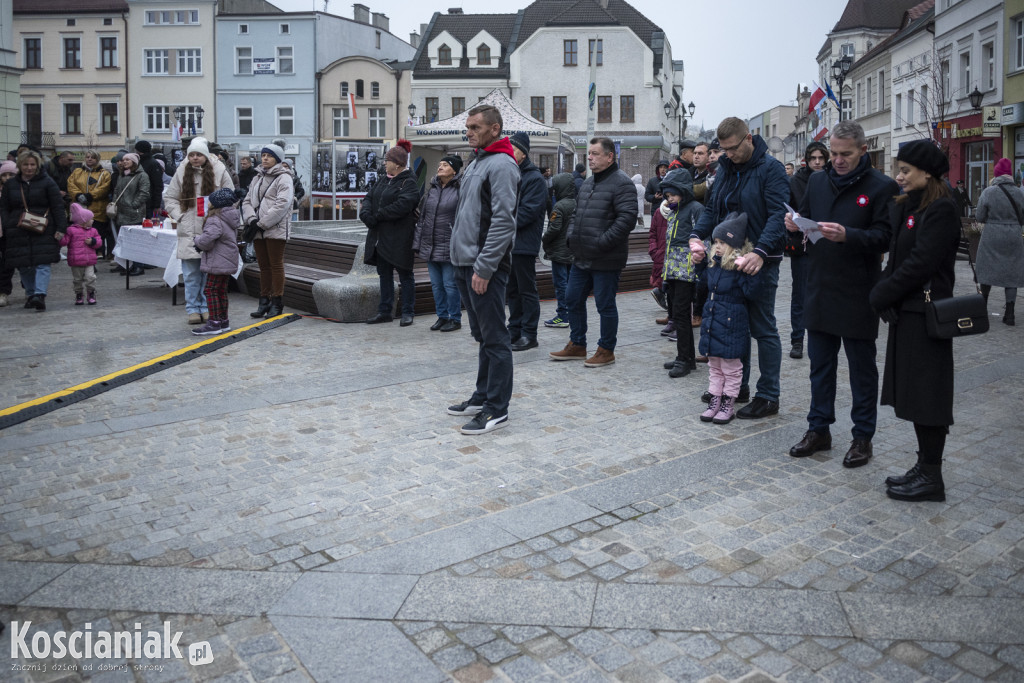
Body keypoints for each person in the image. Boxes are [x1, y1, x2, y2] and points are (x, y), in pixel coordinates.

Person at [785, 121, 898, 468]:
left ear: (863, 151)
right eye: (833, 153)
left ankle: (862, 436)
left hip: (859, 289)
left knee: (862, 369)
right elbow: (807, 215)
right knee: (820, 366)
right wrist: (796, 223)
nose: (836, 160)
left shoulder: (882, 186)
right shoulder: (818, 180)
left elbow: (886, 236)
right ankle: (819, 429)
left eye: (845, 154)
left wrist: (849, 235)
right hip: (819, 284)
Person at [868, 140, 959, 502]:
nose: (899, 177)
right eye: (898, 169)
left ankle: (932, 475)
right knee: (913, 392)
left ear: (927, 172)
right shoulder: (911, 207)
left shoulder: (942, 210)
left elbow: (921, 262)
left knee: (929, 394)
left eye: (905, 170)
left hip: (927, 313)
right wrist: (889, 294)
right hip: (909, 311)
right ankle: (923, 466)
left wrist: (882, 293)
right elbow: (897, 258)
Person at [689, 117, 789, 418]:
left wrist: (760, 251)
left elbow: (777, 216)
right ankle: (737, 388)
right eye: (724, 150)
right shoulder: (725, 171)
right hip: (726, 260)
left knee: (762, 327)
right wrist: (696, 236)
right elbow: (713, 210)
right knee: (734, 325)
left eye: (733, 149)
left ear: (748, 138)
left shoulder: (771, 170)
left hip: (759, 260)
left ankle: (769, 395)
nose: (728, 154)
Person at [446, 104, 519, 434]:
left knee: (495, 338)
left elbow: (504, 222)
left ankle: (496, 408)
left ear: (494, 128)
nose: (469, 131)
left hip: (483, 266)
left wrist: (485, 267)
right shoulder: (478, 162)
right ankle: (483, 394)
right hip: (465, 263)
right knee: (483, 336)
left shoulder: (502, 164)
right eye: (468, 127)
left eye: (475, 127)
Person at [549, 137, 638, 367]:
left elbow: (626, 219)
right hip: (581, 256)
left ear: (610, 156)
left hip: (606, 258)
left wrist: (602, 242)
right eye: (589, 153)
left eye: (595, 154)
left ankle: (606, 349)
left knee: (604, 305)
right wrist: (570, 237)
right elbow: (576, 214)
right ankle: (577, 344)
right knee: (572, 298)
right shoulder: (587, 183)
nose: (590, 157)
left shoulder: (622, 183)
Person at [699, 214, 762, 424]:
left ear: (734, 245)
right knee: (714, 365)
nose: (717, 246)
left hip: (731, 322)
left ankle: (729, 401)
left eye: (722, 243)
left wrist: (747, 272)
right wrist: (699, 264)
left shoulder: (737, 267)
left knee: (731, 367)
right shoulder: (714, 265)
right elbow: (702, 286)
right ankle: (715, 398)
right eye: (715, 242)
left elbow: (752, 293)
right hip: (712, 322)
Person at [164, 137, 234, 325]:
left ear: (205, 154)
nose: (195, 158)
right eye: (191, 154)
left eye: (198, 154)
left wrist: (218, 216)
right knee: (191, 273)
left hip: (212, 228)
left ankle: (206, 308)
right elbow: (170, 198)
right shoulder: (182, 170)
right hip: (189, 227)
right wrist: (180, 216)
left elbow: (230, 196)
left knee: (209, 274)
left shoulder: (219, 169)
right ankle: (192, 308)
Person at [0, 150, 67, 311]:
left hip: (43, 228)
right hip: (18, 228)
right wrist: (8, 224)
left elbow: (58, 206)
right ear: (20, 165)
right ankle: (31, 294)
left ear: (37, 165)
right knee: (24, 265)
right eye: (25, 164)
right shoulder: (11, 185)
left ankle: (39, 294)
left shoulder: (47, 182)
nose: (29, 168)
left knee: (42, 263)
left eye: (32, 164)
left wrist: (61, 227)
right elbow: (4, 208)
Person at [360, 139, 419, 326]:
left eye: (388, 160)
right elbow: (369, 197)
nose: (385, 163)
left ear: (398, 163)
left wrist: (378, 215)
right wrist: (366, 214)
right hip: (381, 238)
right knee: (384, 275)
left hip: (400, 238)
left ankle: (408, 312)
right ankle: (385, 311)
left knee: (405, 275)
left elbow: (403, 205)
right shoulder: (384, 179)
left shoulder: (409, 182)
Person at [657, 168, 703, 378]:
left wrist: (696, 268)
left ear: (683, 191)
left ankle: (685, 359)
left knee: (683, 316)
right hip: (673, 272)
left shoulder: (695, 209)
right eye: (667, 196)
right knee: (676, 314)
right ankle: (685, 357)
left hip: (686, 272)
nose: (670, 199)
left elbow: (702, 241)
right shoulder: (674, 212)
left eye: (673, 194)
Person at [786, 141, 829, 359]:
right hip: (801, 244)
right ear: (807, 159)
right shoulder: (796, 181)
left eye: (821, 158)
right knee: (800, 294)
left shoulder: (832, 178)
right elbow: (789, 208)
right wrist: (790, 220)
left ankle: (821, 337)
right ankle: (797, 340)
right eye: (814, 158)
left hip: (826, 243)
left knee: (823, 292)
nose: (818, 162)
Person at [242, 143, 294, 319]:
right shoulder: (257, 177)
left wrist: (262, 223)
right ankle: (263, 301)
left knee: (276, 265)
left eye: (269, 156)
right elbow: (247, 201)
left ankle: (277, 302)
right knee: (263, 266)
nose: (265, 158)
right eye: (263, 155)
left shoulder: (284, 178)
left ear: (277, 159)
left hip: (275, 229)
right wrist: (251, 220)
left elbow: (282, 205)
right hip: (257, 227)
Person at [507, 132, 547, 351]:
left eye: (512, 149)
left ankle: (529, 334)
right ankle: (514, 330)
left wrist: (501, 222)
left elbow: (527, 213)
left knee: (526, 290)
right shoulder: (510, 173)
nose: (508, 153)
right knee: (512, 290)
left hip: (523, 244)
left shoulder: (533, 178)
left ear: (523, 153)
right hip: (509, 243)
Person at [414, 154, 463, 332]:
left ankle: (455, 318)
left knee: (450, 285)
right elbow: (422, 219)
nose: (440, 167)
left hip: (449, 244)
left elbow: (463, 219)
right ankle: (442, 316)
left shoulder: (460, 189)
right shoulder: (432, 189)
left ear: (454, 170)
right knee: (436, 285)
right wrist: (417, 243)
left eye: (445, 164)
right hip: (430, 244)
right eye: (439, 164)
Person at [974, 157, 1024, 326]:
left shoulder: (989, 192)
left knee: (987, 270)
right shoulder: (1020, 192)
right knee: (1012, 274)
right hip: (1013, 235)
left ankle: (981, 309)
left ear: (996, 175)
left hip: (992, 235)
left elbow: (979, 216)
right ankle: (1010, 314)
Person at [192, 188, 243, 336]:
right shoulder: (230, 217)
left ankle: (214, 322)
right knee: (221, 290)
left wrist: (197, 241)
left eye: (210, 201)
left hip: (218, 260)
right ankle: (223, 320)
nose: (208, 203)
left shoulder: (215, 219)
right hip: (227, 258)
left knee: (210, 290)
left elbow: (207, 240)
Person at [542, 172, 575, 329]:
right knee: (569, 283)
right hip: (571, 251)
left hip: (559, 252)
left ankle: (562, 315)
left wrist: (544, 239)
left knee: (560, 284)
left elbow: (554, 228)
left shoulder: (559, 206)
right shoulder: (576, 203)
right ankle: (570, 314)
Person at [67, 150, 113, 259]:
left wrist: (90, 196)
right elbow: (71, 184)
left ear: (97, 159)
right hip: (80, 208)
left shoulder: (104, 173)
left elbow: (104, 188)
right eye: (88, 157)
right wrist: (78, 195)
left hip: (98, 208)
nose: (90, 159)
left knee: (97, 232)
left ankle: (99, 251)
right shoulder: (77, 171)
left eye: (92, 157)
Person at [111, 153, 151, 277]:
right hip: (121, 212)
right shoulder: (122, 175)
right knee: (123, 241)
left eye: (127, 159)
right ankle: (125, 265)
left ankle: (138, 266)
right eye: (123, 160)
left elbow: (144, 193)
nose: (124, 161)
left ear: (134, 162)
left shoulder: (142, 175)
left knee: (135, 241)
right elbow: (117, 190)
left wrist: (133, 205)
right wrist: (114, 203)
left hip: (134, 213)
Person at [60, 203, 103, 305]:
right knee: (77, 279)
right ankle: (79, 294)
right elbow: (64, 242)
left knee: (90, 277)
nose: (93, 220)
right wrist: (60, 237)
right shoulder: (71, 230)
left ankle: (91, 293)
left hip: (89, 261)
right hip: (76, 261)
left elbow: (99, 242)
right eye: (91, 219)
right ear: (84, 220)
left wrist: (93, 241)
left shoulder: (93, 231)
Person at [645, 160, 671, 311]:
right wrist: (654, 197)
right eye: (660, 167)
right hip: (658, 212)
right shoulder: (653, 181)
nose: (662, 170)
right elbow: (647, 196)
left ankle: (663, 293)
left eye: (665, 168)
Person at [0, 160, 19, 306]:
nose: (7, 178)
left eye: (10, 174)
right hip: (1, 232)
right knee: (3, 264)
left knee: (16, 263)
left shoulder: (21, 190)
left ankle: (30, 289)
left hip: (16, 231)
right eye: (4, 175)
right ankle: (3, 292)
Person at [135, 140, 165, 221]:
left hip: (149, 203)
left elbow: (158, 185)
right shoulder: (138, 162)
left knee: (149, 224)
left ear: (139, 151)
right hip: (141, 201)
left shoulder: (152, 164)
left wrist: (156, 205)